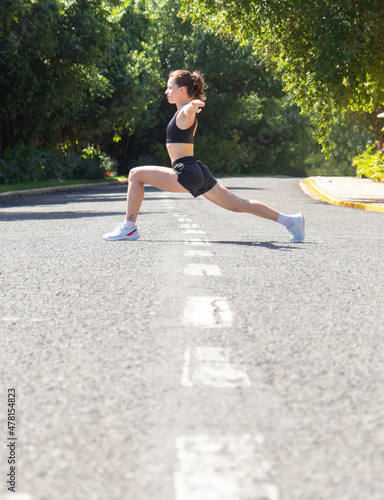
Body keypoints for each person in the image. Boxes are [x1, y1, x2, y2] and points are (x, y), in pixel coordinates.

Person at [103, 70, 305, 242]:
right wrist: (191, 106)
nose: (166, 91)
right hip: (197, 170)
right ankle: (292, 221)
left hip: (186, 172)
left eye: (169, 87)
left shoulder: (184, 112)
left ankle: (129, 227)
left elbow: (189, 112)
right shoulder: (180, 112)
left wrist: (192, 106)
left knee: (135, 174)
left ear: (181, 90)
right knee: (238, 204)